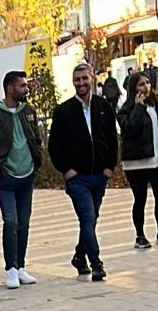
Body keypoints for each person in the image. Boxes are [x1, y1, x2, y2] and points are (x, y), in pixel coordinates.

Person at [48, 63, 119, 283]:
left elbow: (112, 138)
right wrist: (66, 170)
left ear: (92, 79)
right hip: (77, 178)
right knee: (87, 217)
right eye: (77, 80)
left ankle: (80, 255)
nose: (81, 83)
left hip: (99, 175)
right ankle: (97, 263)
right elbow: (55, 145)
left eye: (84, 79)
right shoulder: (63, 111)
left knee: (91, 220)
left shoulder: (104, 106)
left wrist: (109, 166)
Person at [0, 71, 43, 290]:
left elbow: (36, 138)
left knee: (24, 222)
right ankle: (11, 269)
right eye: (22, 86)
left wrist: (37, 161)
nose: (26, 89)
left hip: (27, 175)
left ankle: (21, 266)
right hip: (6, 178)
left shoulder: (29, 112)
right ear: (10, 88)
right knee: (11, 221)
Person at [118, 72, 158, 249]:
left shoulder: (157, 103)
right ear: (134, 88)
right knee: (140, 199)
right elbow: (129, 130)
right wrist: (137, 107)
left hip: (157, 161)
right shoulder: (126, 109)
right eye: (141, 84)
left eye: (148, 83)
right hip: (136, 164)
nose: (146, 87)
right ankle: (140, 236)